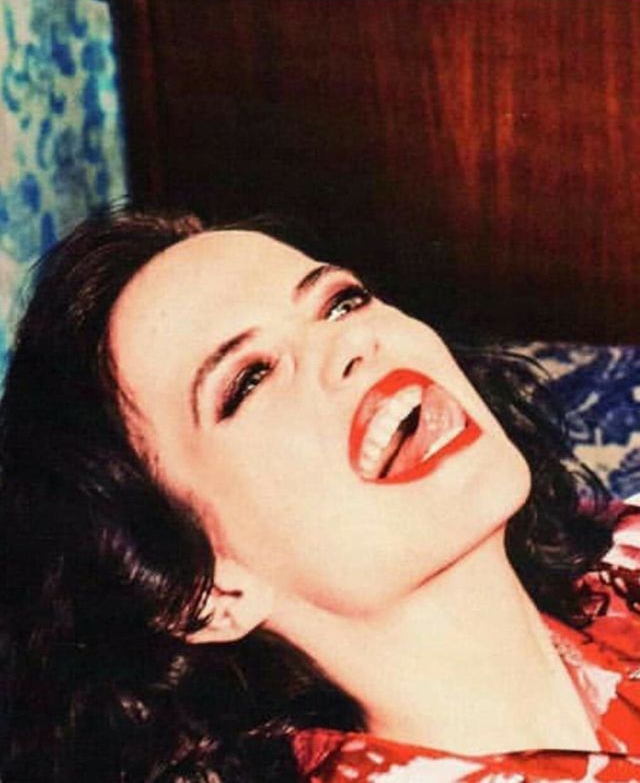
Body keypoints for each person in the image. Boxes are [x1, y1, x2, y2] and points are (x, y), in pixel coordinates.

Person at [0, 210, 639, 783]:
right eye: (249, 379)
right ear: (204, 594)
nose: (351, 343)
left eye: (341, 302)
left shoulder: (617, 552)